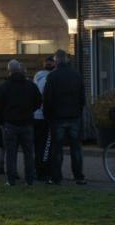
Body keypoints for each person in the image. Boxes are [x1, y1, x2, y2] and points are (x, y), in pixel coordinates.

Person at [0, 59, 42, 186]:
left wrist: (1, 121)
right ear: (20, 70)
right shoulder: (30, 85)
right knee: (28, 153)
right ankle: (29, 180)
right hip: (27, 122)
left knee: (11, 153)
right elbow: (39, 101)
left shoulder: (4, 87)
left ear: (9, 70)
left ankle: (11, 180)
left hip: (10, 123)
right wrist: (30, 110)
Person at [43, 49, 86, 185]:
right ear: (67, 60)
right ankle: (78, 176)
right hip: (74, 116)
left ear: (56, 61)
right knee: (76, 148)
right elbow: (82, 97)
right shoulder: (77, 75)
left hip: (57, 117)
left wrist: (47, 115)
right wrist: (78, 111)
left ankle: (56, 177)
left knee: (57, 148)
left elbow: (47, 98)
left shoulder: (52, 76)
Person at [32, 55, 54, 182]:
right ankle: (44, 171)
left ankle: (37, 169)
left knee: (37, 145)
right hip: (46, 116)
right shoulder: (51, 78)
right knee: (47, 145)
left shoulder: (37, 76)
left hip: (36, 116)